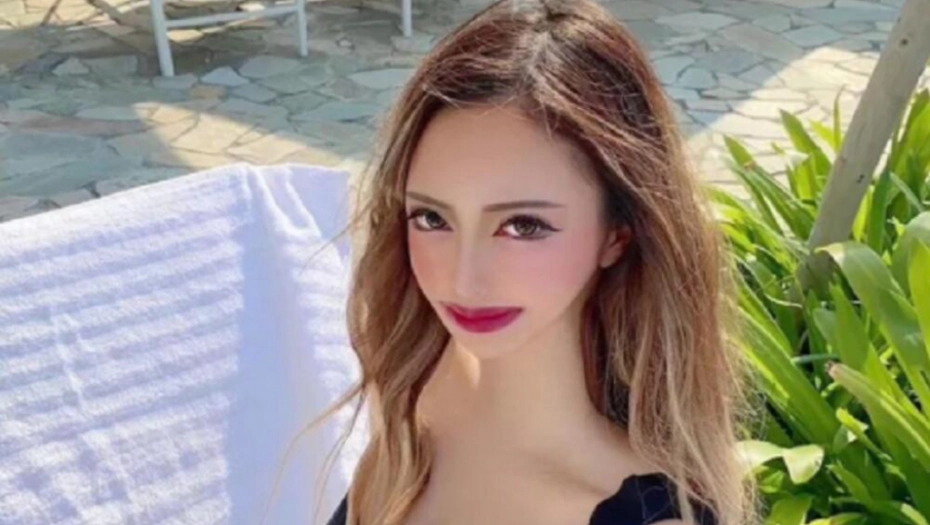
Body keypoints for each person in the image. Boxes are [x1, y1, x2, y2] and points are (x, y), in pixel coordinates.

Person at [277, 0, 762, 523]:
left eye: (524, 226)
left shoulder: (649, 516)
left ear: (617, 235)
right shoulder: (409, 410)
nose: (464, 279)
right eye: (433, 218)